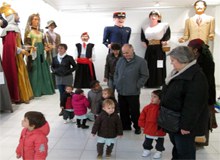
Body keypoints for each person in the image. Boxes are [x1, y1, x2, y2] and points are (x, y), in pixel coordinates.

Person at [160, 46, 208, 159]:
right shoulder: (179, 72)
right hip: (174, 121)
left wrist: (186, 126)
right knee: (177, 147)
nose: (171, 63)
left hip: (184, 125)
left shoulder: (196, 77)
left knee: (185, 151)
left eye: (173, 60)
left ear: (183, 60)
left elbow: (193, 105)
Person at [0, 3, 33, 104]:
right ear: (12, 17)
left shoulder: (14, 28)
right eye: (16, 15)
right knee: (16, 75)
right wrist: (20, 50)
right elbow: (10, 46)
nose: (18, 17)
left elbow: (17, 43)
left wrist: (26, 47)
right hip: (15, 58)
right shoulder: (10, 29)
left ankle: (21, 95)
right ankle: (17, 96)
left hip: (18, 57)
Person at [188, 38, 218, 146]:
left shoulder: (205, 62)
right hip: (201, 93)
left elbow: (205, 81)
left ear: (196, 50)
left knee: (201, 119)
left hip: (204, 94)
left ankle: (199, 141)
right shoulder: (199, 59)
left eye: (189, 48)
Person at [114, 44, 149, 134]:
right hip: (121, 90)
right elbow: (116, 73)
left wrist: (137, 85)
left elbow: (145, 75)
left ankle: (137, 126)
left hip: (133, 91)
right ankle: (125, 126)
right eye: (124, 53)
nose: (125, 55)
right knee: (123, 110)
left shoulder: (141, 61)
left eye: (127, 52)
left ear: (132, 50)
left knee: (134, 111)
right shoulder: (120, 60)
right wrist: (117, 83)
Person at [24, 13, 55, 97]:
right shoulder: (28, 31)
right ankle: (35, 90)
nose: (37, 21)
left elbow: (44, 43)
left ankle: (44, 89)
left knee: (43, 68)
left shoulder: (41, 31)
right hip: (34, 53)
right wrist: (31, 47)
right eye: (35, 19)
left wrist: (47, 47)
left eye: (38, 19)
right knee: (35, 70)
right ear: (31, 21)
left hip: (41, 53)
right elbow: (25, 44)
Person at [141, 10, 171, 88]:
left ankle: (160, 82)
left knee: (159, 65)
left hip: (159, 49)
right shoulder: (144, 27)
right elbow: (143, 38)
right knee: (148, 65)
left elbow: (167, 36)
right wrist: (143, 41)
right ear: (149, 17)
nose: (153, 17)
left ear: (158, 17)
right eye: (152, 16)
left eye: (155, 16)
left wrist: (165, 41)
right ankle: (148, 83)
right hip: (149, 49)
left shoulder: (164, 26)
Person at [138, 89, 166, 159]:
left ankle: (159, 151)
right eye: (151, 96)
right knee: (147, 141)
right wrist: (142, 125)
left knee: (159, 142)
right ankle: (147, 149)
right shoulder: (147, 108)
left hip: (159, 130)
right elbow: (142, 117)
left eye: (154, 97)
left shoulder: (163, 109)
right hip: (149, 128)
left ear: (160, 99)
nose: (152, 98)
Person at [51, 43, 77, 116]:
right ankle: (63, 109)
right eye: (59, 48)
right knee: (62, 94)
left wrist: (68, 71)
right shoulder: (55, 58)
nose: (60, 50)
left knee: (69, 93)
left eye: (61, 48)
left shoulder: (69, 57)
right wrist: (54, 71)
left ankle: (71, 108)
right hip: (58, 77)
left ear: (65, 49)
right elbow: (52, 66)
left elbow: (75, 66)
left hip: (67, 77)